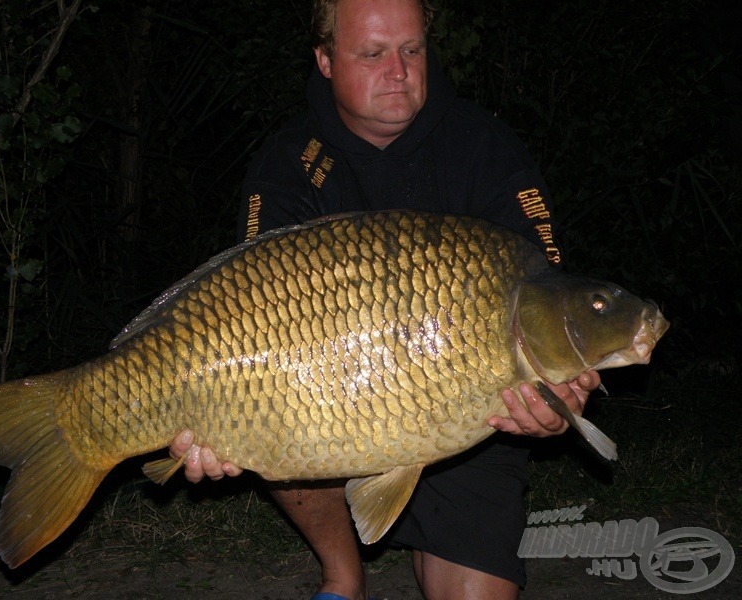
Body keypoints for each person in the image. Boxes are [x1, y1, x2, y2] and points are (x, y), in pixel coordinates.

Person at [169, 1, 600, 598]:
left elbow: (550, 296)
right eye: (373, 54)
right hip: (322, 411)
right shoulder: (288, 163)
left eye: (413, 50)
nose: (398, 71)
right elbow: (241, 319)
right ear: (324, 60)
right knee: (265, 415)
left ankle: (435, 536)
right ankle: (343, 574)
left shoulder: (484, 147)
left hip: (470, 421)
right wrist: (215, 429)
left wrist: (564, 394)